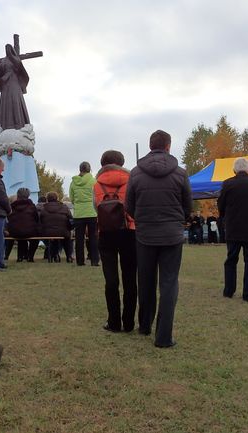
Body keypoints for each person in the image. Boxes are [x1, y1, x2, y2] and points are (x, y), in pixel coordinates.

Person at [126, 130, 192, 348]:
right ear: (168, 146)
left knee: (145, 281)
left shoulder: (135, 173)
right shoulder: (181, 174)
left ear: (150, 145)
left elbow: (129, 206)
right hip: (172, 235)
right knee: (169, 283)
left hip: (144, 234)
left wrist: (143, 220)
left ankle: (145, 325)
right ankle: (164, 337)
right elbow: (187, 207)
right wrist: (176, 220)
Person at [93, 150, 137, 333]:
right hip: (129, 231)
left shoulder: (96, 185)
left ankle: (113, 322)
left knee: (110, 280)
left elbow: (97, 208)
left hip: (106, 232)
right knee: (130, 278)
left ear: (103, 164)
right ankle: (128, 322)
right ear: (122, 163)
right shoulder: (131, 181)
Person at [217, 157, 248, 302]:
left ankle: (229, 291)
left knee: (231, 260)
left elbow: (221, 206)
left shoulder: (227, 184)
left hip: (233, 228)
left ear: (234, 170)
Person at [0, 44, 31, 130]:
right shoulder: (4, 60)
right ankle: (7, 125)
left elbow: (18, 64)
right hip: (5, 83)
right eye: (5, 49)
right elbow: (0, 67)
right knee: (6, 101)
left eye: (8, 49)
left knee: (15, 100)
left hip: (14, 82)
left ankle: (18, 123)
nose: (7, 50)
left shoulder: (15, 59)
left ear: (11, 50)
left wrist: (12, 56)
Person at [70, 162, 99, 266]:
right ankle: (94, 260)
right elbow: (97, 197)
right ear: (89, 169)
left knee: (79, 238)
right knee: (93, 238)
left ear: (80, 169)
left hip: (78, 214)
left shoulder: (73, 182)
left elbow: (72, 198)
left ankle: (80, 261)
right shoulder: (94, 181)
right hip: (92, 212)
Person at [8, 188, 41, 262]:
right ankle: (30, 256)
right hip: (29, 231)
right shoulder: (32, 206)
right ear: (28, 195)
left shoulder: (12, 206)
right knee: (34, 239)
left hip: (14, 232)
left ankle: (20, 257)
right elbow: (36, 218)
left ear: (18, 195)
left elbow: (9, 218)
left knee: (21, 237)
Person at [39, 192, 73, 262]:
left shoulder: (43, 208)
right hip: (63, 232)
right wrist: (70, 228)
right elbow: (70, 219)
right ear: (57, 198)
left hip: (47, 232)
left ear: (47, 199)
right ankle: (69, 256)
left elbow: (40, 220)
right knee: (67, 238)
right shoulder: (64, 207)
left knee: (52, 237)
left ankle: (54, 255)